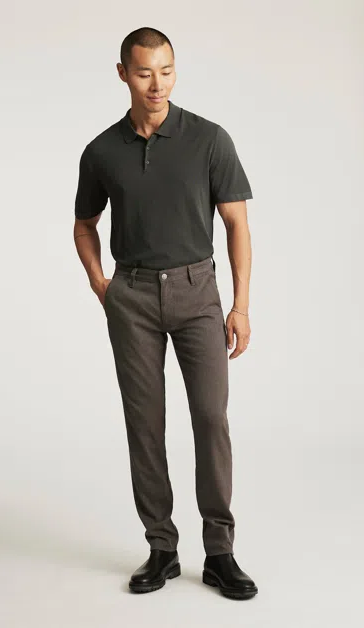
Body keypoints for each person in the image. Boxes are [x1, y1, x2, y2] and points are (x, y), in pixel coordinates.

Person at [73, 26, 258, 601]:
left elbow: (236, 224)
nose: (157, 84)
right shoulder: (102, 151)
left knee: (211, 418)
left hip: (198, 291)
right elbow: (84, 225)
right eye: (145, 72)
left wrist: (240, 304)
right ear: (123, 74)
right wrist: (101, 283)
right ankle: (162, 548)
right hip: (131, 296)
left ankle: (220, 552)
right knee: (144, 424)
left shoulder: (209, 139)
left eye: (167, 71)